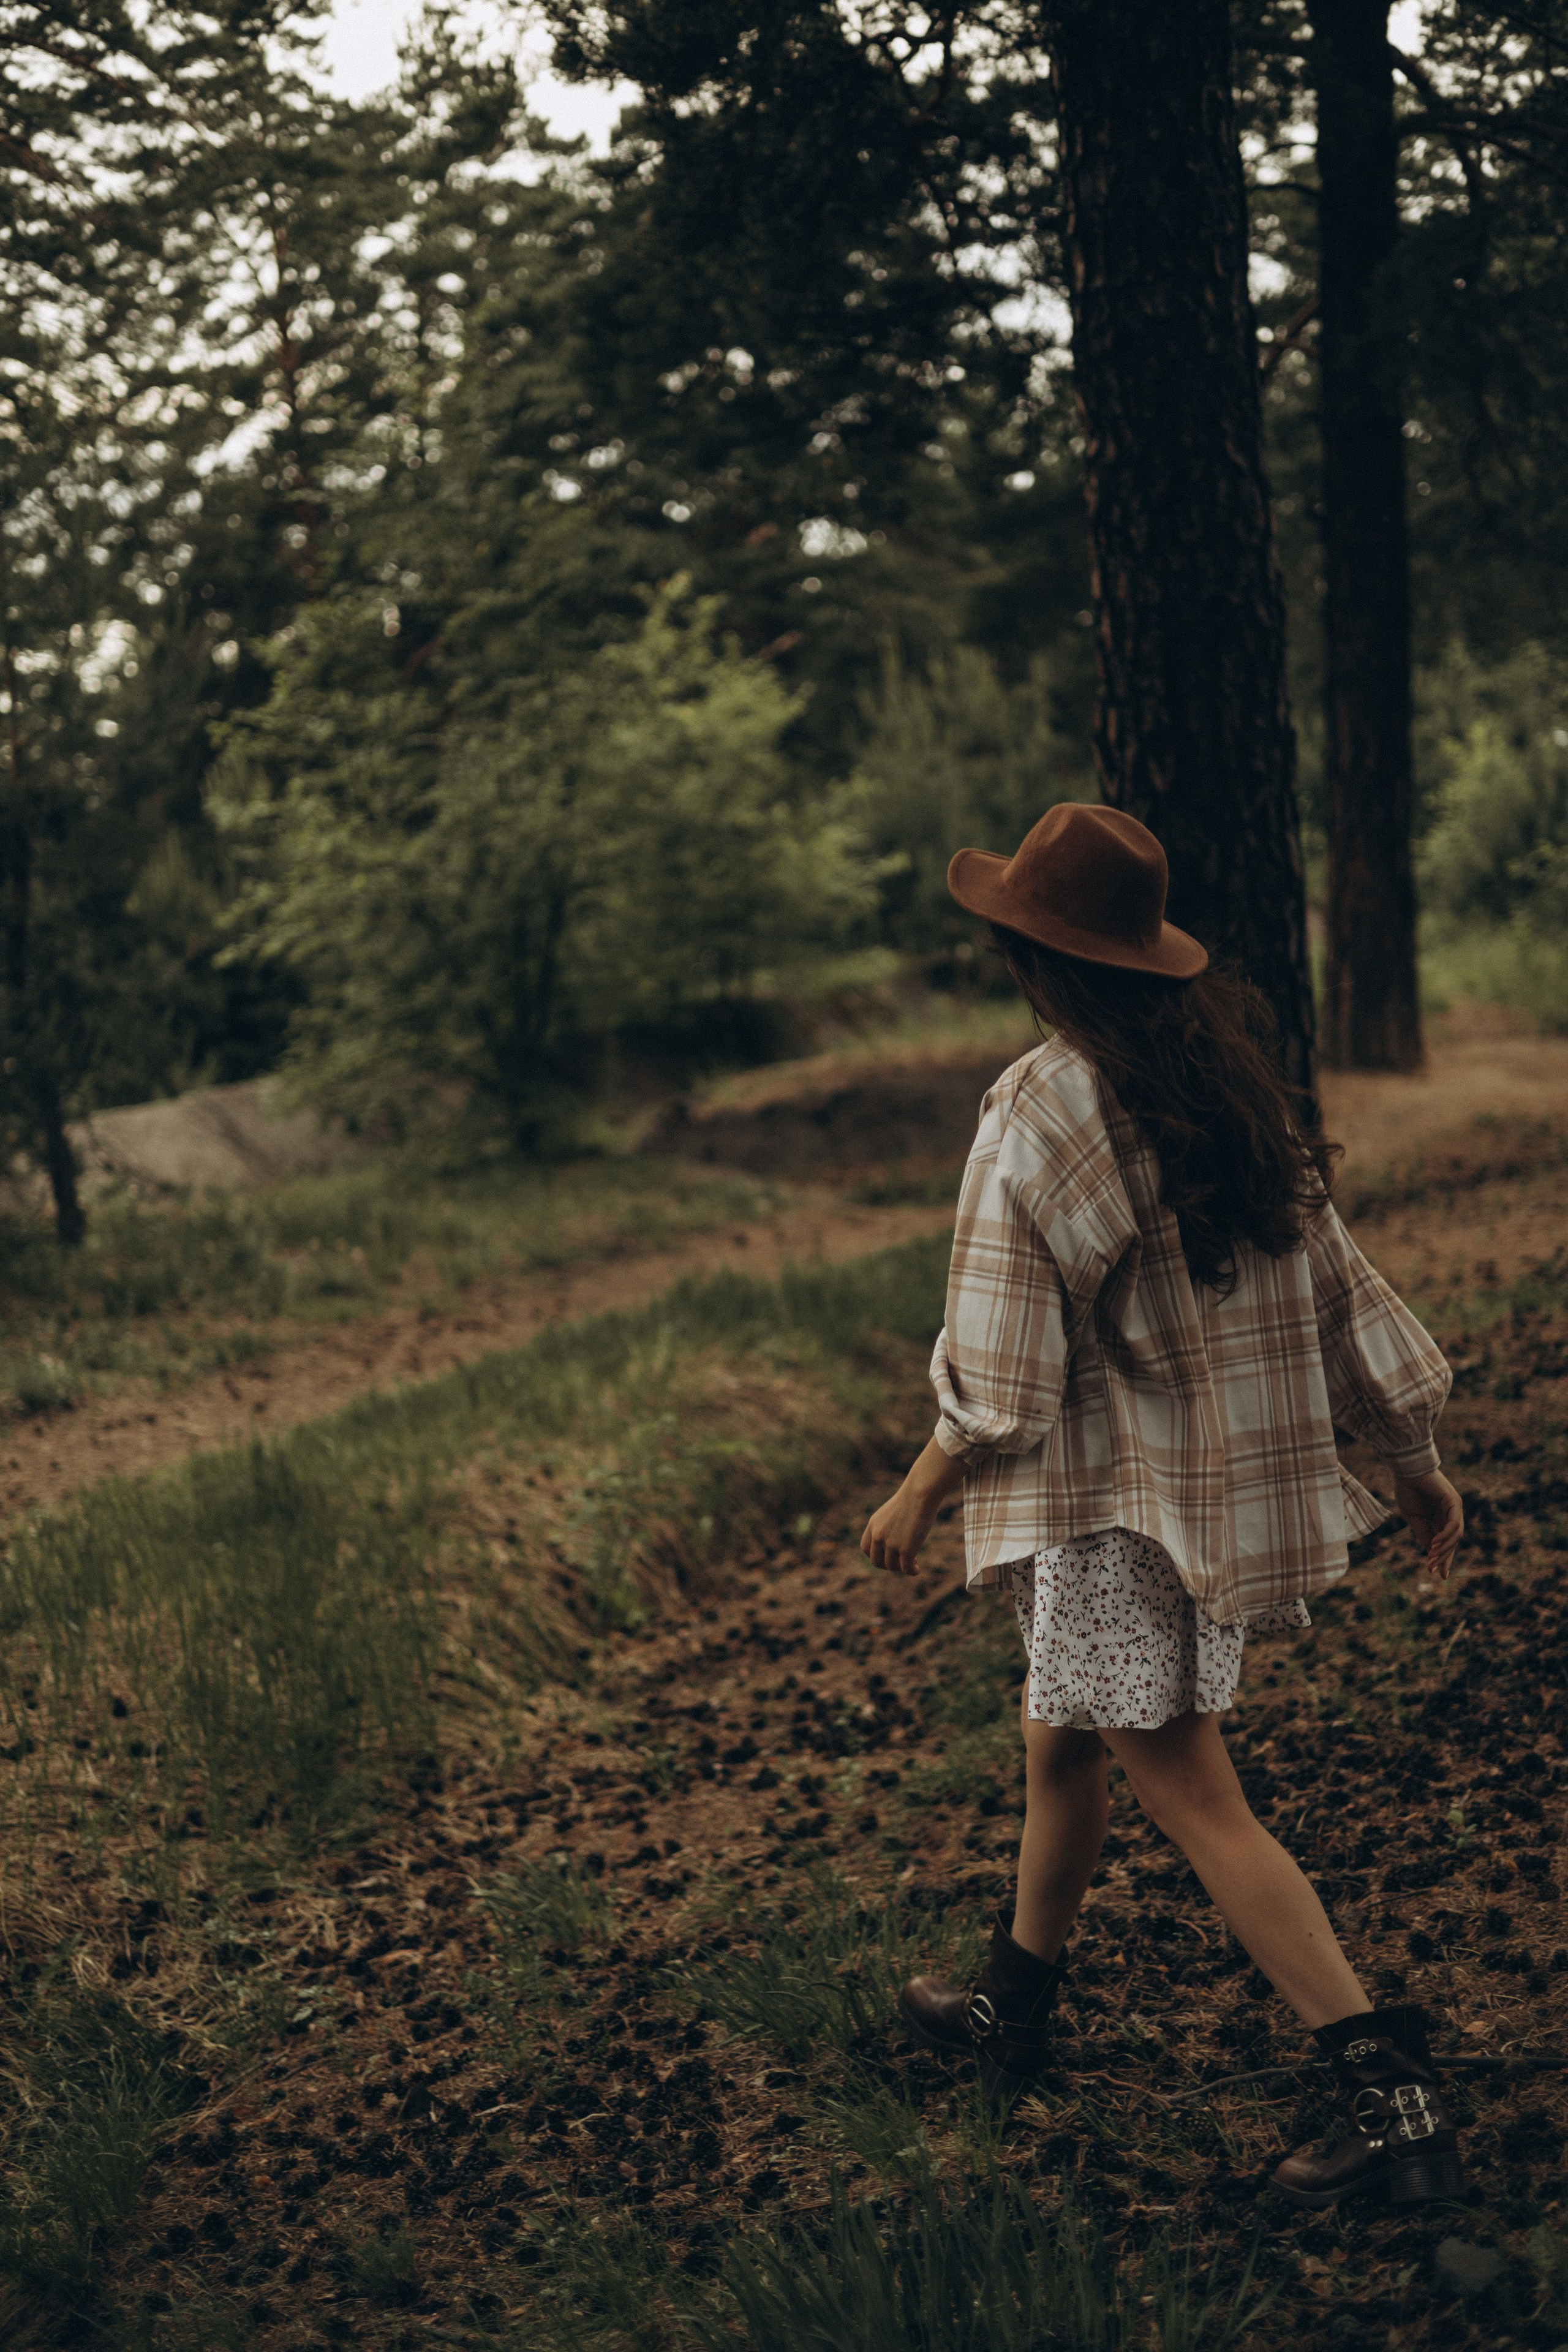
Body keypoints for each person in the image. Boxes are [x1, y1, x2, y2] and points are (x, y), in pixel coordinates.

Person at [861, 802, 1466, 2211]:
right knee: (1055, 1744)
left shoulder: (1039, 1109)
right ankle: (1014, 2008)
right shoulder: (1228, 1092)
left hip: (1111, 1514)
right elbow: (1337, 1294)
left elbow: (1002, 1371)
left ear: (1037, 958)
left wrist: (918, 1484)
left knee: (1193, 1796)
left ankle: (1387, 2099)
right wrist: (1409, 1455)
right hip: (1188, 1512)